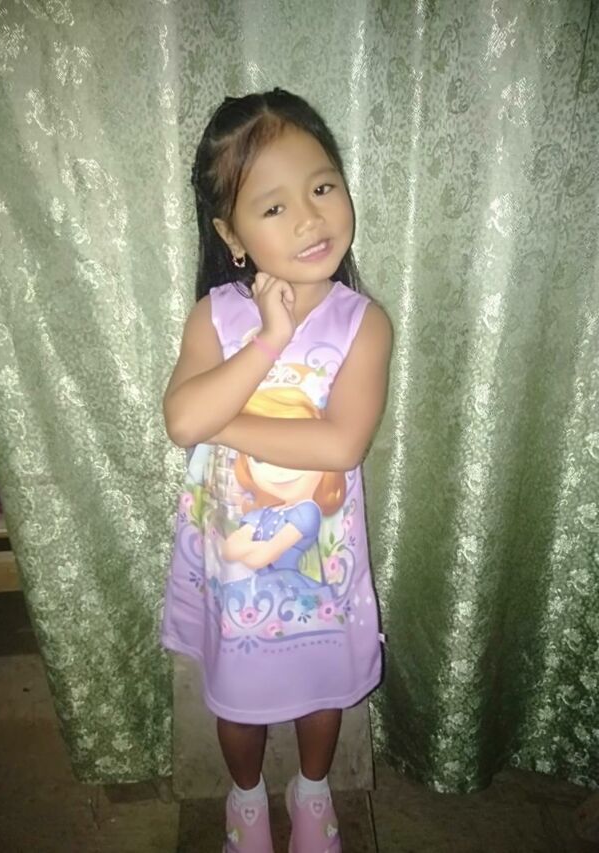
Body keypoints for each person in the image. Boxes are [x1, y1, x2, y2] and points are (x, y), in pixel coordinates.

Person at [161, 88, 393, 853]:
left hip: (320, 567)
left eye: (322, 187)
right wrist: (269, 336)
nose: (308, 217)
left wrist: (219, 417)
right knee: (238, 700)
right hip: (236, 574)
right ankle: (247, 800)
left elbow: (339, 444)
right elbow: (181, 419)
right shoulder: (218, 317)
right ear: (231, 234)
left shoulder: (363, 323)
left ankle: (313, 790)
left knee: (323, 692)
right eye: (273, 205)